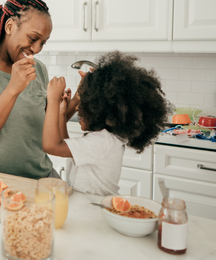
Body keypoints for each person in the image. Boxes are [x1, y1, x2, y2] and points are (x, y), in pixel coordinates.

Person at [0, 0, 79, 179]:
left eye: (43, 42)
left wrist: (76, 100)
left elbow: (48, 127)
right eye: (33, 38)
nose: (36, 49)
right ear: (10, 27)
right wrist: (13, 88)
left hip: (39, 178)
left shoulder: (39, 70)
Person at [42, 51, 171, 195]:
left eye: (84, 104)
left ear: (103, 112)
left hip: (94, 208)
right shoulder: (108, 138)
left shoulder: (102, 142)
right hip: (87, 205)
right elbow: (67, 148)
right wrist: (61, 113)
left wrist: (52, 100)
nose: (78, 107)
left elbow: (51, 146)